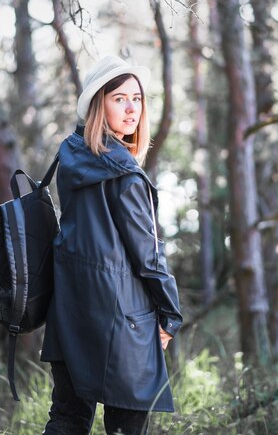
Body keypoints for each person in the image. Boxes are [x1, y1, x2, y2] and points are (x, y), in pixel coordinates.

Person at [41, 55, 182, 435]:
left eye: (137, 98)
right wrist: (170, 315)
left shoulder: (70, 158)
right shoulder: (125, 174)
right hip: (124, 319)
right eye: (120, 98)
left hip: (70, 308)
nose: (132, 107)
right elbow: (148, 255)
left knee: (68, 419)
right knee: (127, 426)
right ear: (98, 104)